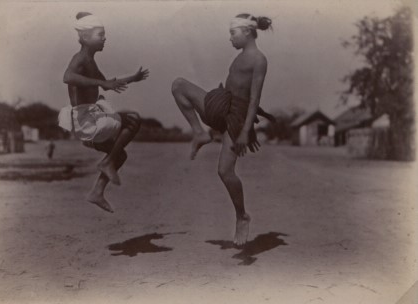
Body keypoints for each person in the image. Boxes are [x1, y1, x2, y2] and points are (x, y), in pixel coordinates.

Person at [171, 13, 275, 246]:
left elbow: (253, 99)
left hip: (235, 119)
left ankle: (242, 216)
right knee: (178, 85)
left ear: (247, 32)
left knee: (224, 171)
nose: (230, 39)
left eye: (233, 33)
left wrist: (245, 131)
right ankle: (199, 132)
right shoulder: (239, 56)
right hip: (220, 106)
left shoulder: (259, 60)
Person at [59, 12, 149, 213]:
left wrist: (132, 79)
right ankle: (107, 162)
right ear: (84, 38)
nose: (104, 38)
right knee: (133, 119)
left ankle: (97, 192)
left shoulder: (90, 61)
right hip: (87, 122)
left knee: (121, 156)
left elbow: (109, 84)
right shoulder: (80, 58)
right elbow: (67, 76)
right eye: (100, 35)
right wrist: (101, 82)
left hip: (89, 124)